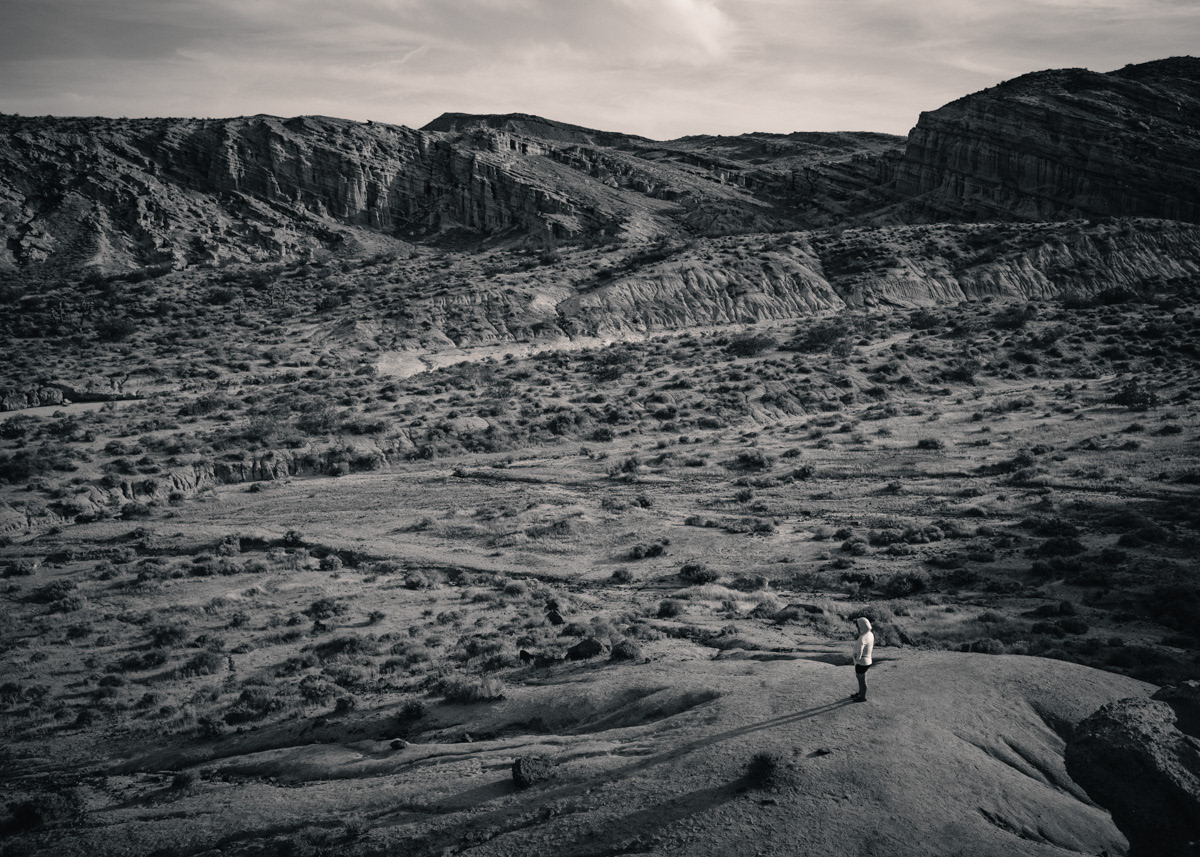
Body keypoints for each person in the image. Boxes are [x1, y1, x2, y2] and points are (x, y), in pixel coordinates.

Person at [850, 617, 874, 702]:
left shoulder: (863, 637)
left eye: (858, 626)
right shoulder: (869, 634)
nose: (857, 628)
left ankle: (862, 697)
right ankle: (860, 693)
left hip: (862, 662)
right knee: (861, 678)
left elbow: (860, 650)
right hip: (867, 660)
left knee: (861, 680)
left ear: (862, 626)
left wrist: (857, 659)